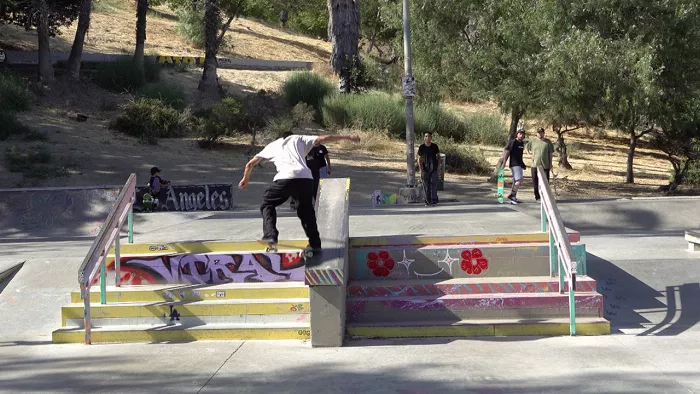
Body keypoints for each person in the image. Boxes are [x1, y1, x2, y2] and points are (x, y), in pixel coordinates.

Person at [238, 132, 360, 252]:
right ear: (292, 135)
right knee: (306, 211)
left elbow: (250, 164)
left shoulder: (273, 145)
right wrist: (348, 137)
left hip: (285, 178)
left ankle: (270, 236)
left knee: (267, 204)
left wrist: (245, 179)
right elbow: (324, 138)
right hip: (306, 179)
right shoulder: (300, 138)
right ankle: (315, 244)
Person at [526, 127, 555, 201]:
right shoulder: (533, 141)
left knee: (545, 182)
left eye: (541, 132)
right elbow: (526, 147)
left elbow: (550, 153)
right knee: (535, 181)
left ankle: (545, 196)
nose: (540, 134)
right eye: (539, 132)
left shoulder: (548, 142)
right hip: (535, 165)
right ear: (537, 133)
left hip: (545, 165)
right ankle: (537, 196)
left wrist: (550, 163)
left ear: (544, 133)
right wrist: (529, 154)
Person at [499, 129, 526, 204]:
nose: (521, 135)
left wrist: (523, 164)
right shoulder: (513, 142)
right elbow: (507, 151)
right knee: (519, 180)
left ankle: (513, 198)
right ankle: (512, 195)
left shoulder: (522, 143)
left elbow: (519, 155)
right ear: (517, 134)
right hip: (514, 164)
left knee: (516, 181)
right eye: (520, 134)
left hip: (519, 164)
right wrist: (504, 163)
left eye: (522, 134)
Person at [417, 132, 440, 206]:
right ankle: (428, 200)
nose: (427, 138)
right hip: (425, 169)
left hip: (433, 168)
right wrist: (420, 169)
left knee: (434, 184)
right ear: (424, 138)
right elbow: (419, 159)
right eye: (426, 136)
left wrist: (438, 167)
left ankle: (434, 199)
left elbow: (438, 156)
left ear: (431, 137)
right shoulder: (422, 147)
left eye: (429, 136)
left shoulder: (435, 146)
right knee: (426, 185)